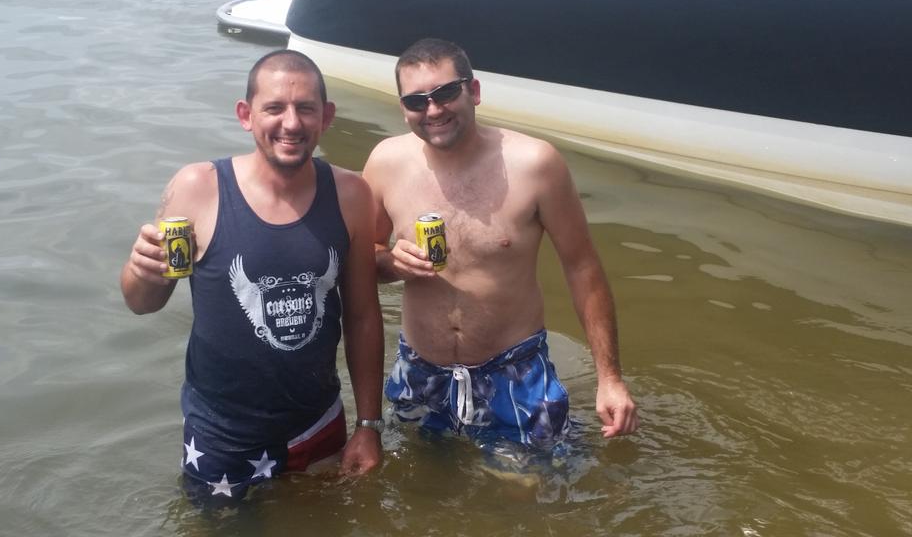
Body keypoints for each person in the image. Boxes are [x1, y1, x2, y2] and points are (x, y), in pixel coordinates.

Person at [120, 49, 385, 501]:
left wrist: (369, 425)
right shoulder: (198, 187)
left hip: (318, 423)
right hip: (221, 435)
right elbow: (142, 304)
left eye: (305, 108)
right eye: (274, 108)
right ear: (246, 115)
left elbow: (362, 316)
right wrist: (141, 269)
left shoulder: (351, 194)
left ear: (327, 117)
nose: (291, 123)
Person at [362, 38, 638, 453]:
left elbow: (582, 268)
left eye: (445, 92)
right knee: (422, 475)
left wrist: (610, 379)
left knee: (534, 484)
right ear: (403, 108)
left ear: (473, 91)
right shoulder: (385, 163)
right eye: (417, 100)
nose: (433, 110)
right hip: (421, 373)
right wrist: (391, 262)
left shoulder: (535, 164)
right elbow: (363, 257)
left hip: (515, 373)